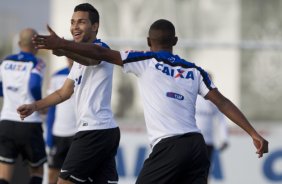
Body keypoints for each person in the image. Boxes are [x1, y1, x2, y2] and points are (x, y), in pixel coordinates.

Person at [29, 19, 268, 184]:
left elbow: (100, 53)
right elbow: (223, 103)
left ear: (148, 41)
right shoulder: (194, 70)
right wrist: (253, 133)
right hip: (197, 146)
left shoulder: (145, 59)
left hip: (169, 146)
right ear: (175, 40)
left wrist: (61, 44)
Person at [17, 3, 120, 184]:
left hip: (93, 131)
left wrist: (63, 47)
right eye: (72, 22)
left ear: (95, 26)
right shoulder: (77, 60)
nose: (75, 27)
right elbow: (64, 92)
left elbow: (92, 58)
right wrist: (35, 106)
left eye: (81, 22)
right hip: (104, 131)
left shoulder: (100, 47)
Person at [0, 28, 47, 184]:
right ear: (36, 44)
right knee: (37, 170)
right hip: (29, 122)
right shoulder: (37, 62)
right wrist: (39, 104)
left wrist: (10, 94)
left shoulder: (5, 61)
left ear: (19, 43)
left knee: (4, 172)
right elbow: (33, 84)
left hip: (6, 121)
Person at [45, 57, 76, 184]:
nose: (71, 59)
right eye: (68, 56)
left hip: (77, 133)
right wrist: (49, 134)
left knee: (75, 176)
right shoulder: (57, 76)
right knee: (53, 174)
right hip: (59, 133)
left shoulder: (87, 72)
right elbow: (51, 107)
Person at [195, 94, 229, 178]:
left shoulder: (213, 98)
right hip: (192, 141)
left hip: (208, 142)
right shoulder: (191, 95)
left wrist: (223, 138)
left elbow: (221, 119)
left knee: (204, 172)